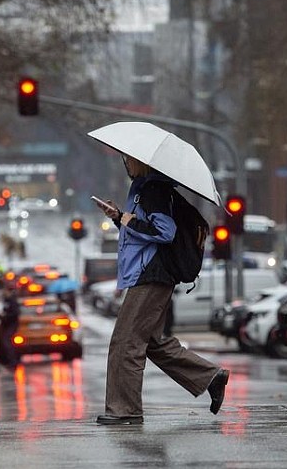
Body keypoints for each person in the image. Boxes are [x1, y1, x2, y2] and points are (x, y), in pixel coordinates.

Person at [92, 154, 229, 426]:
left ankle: (125, 410)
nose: (126, 164)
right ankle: (210, 377)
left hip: (151, 275)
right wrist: (120, 217)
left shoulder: (152, 189)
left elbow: (165, 231)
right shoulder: (145, 190)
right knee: (151, 342)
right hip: (149, 274)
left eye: (129, 160)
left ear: (142, 163)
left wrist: (127, 219)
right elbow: (142, 229)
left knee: (126, 342)